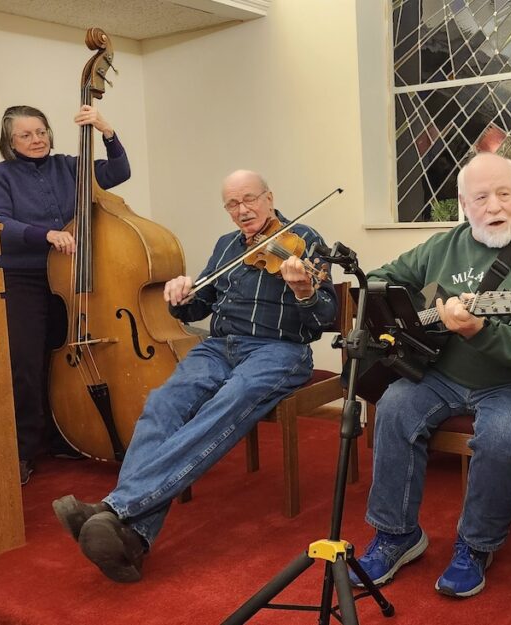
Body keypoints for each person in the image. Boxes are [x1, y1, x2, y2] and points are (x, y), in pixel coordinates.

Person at [51, 170, 337, 583]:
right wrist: (179, 293)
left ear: (269, 198)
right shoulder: (227, 247)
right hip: (220, 346)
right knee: (162, 404)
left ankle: (116, 508)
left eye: (250, 200)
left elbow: (326, 314)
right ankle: (132, 538)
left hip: (280, 350)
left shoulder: (304, 239)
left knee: (226, 403)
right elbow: (196, 308)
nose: (243, 210)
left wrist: (306, 291)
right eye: (232, 204)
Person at [350, 152, 511, 598]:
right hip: (447, 374)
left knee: (502, 435)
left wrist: (479, 330)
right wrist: (405, 313)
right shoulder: (442, 245)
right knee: (394, 405)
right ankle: (397, 535)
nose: (494, 207)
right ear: (463, 203)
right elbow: (381, 280)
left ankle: (476, 546)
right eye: (481, 197)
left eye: (504, 194)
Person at [0, 104, 131, 485]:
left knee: (66, 358)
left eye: (42, 131)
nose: (37, 140)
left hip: (67, 278)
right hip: (25, 278)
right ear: (9, 141)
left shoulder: (70, 166)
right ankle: (24, 450)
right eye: (26, 135)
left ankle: (65, 436)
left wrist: (106, 130)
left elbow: (118, 172)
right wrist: (44, 234)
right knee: (27, 364)